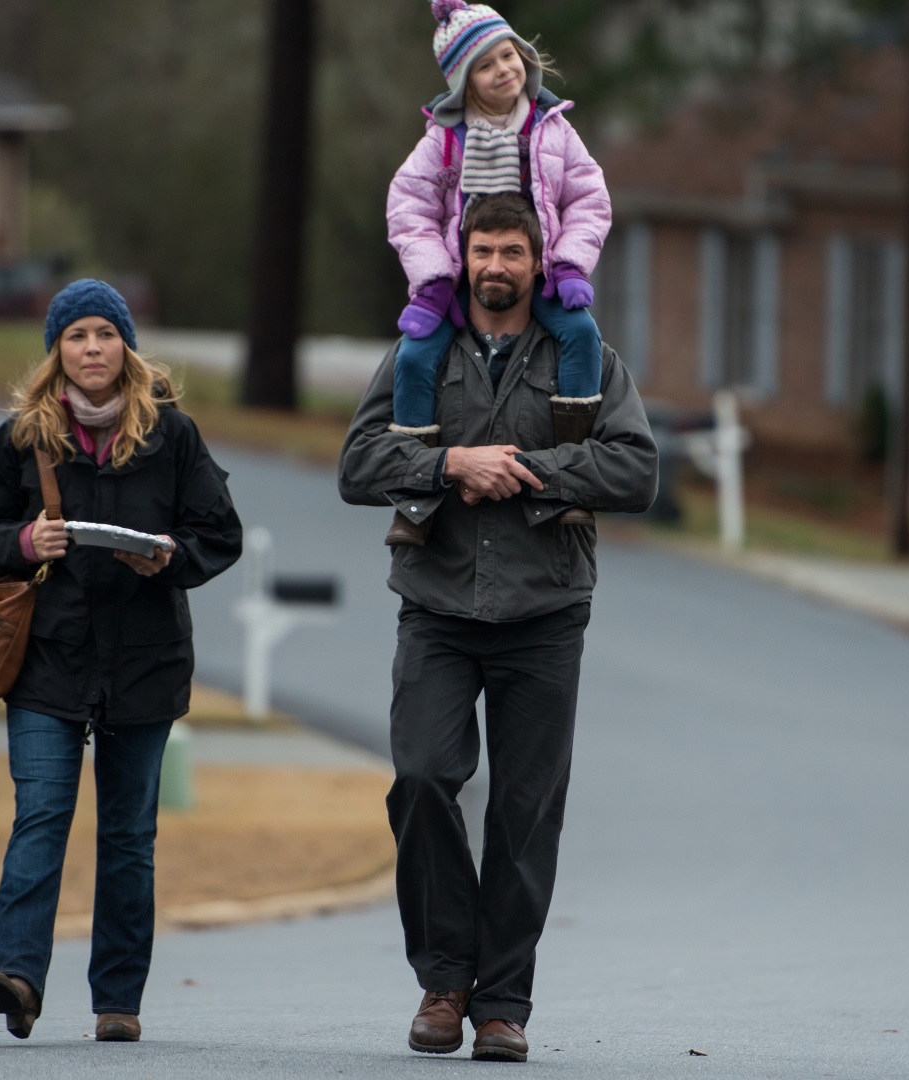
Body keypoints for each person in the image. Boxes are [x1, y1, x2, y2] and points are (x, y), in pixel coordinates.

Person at [338, 193, 657, 1061]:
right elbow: (359, 462)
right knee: (422, 780)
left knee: (524, 814)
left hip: (545, 614)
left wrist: (525, 470)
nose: (497, 267)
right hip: (436, 608)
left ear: (538, 258)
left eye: (514, 251)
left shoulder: (585, 358)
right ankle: (444, 982)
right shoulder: (420, 353)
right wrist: (449, 463)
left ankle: (502, 1005)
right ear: (462, 255)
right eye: (484, 250)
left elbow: (636, 469)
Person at [0, 279, 242, 1043]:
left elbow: (220, 532)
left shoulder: (171, 436)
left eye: (104, 335)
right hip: (49, 660)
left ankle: (118, 1000)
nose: (90, 349)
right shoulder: (25, 434)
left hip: (145, 663)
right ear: (57, 350)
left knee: (126, 836)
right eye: (76, 336)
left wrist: (172, 558)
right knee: (41, 815)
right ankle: (15, 976)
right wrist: (20, 544)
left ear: (127, 347)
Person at [381, 0, 612, 547]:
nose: (504, 69)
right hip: (464, 277)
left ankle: (565, 483)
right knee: (415, 356)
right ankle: (417, 503)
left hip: (540, 271)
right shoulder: (444, 138)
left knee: (580, 334)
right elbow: (407, 207)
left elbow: (590, 198)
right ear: (465, 83)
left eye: (509, 55)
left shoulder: (553, 130)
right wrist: (434, 276)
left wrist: (570, 262)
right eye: (486, 65)